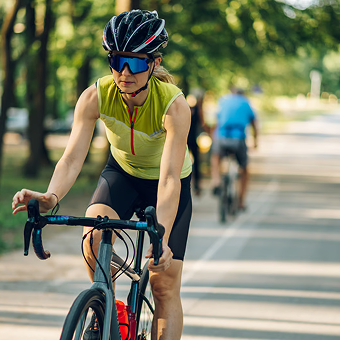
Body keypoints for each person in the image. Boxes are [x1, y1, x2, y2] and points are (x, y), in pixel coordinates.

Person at [12, 9, 192, 340]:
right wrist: (51, 196)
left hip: (168, 184)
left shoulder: (174, 106)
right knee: (93, 238)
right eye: (116, 61)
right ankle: (108, 306)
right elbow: (70, 158)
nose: (124, 73)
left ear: (154, 63)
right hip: (121, 173)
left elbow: (168, 180)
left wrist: (160, 239)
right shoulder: (96, 95)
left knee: (163, 284)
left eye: (135, 63)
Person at [211, 87, 258, 210]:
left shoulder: (223, 101)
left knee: (215, 157)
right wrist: (256, 141)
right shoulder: (246, 102)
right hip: (238, 139)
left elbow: (217, 120)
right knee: (244, 169)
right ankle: (241, 201)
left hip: (221, 137)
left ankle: (216, 181)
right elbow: (254, 124)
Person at [186, 94, 207, 196]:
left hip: (184, 140)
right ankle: (197, 186)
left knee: (181, 163)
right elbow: (203, 124)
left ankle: (192, 186)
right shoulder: (198, 111)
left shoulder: (182, 108)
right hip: (192, 140)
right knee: (196, 163)